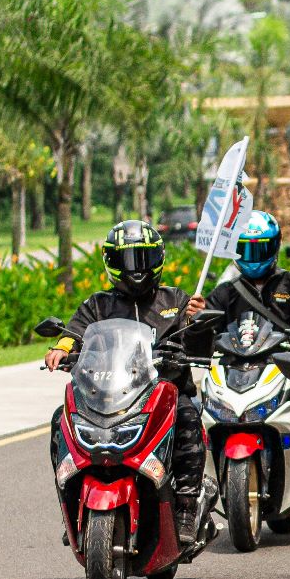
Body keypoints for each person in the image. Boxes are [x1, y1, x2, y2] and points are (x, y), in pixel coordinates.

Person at [43, 221, 207, 544]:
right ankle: (72, 506)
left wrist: (195, 319)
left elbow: (198, 339)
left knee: (188, 417)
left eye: (143, 258)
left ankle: (186, 507)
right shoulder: (98, 305)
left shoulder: (176, 300)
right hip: (110, 397)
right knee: (60, 421)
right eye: (127, 260)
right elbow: (74, 333)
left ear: (157, 259)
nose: (136, 268)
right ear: (112, 262)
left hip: (164, 396)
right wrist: (60, 349)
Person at [201, 210, 290, 347]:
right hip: (234, 360)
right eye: (246, 250)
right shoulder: (225, 292)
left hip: (281, 359)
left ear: (275, 245)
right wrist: (196, 320)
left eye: (260, 249)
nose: (253, 257)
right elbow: (199, 344)